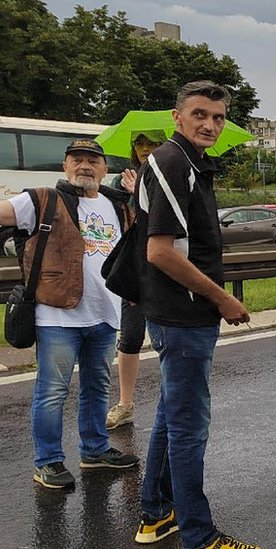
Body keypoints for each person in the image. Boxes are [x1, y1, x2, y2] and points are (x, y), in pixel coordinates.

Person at [133, 81, 258, 549]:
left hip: (184, 315)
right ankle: (199, 536)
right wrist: (222, 299)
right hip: (181, 316)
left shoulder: (192, 164)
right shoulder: (170, 162)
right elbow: (160, 251)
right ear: (177, 117)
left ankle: (156, 514)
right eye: (200, 114)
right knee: (188, 428)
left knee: (172, 415)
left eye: (218, 117)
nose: (210, 124)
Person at [0, 138, 139, 490]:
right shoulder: (42, 199)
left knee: (97, 388)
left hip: (105, 314)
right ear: (64, 166)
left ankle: (94, 451)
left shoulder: (117, 204)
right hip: (57, 316)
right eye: (76, 159)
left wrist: (139, 195)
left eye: (93, 160)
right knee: (52, 391)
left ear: (104, 169)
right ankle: (47, 461)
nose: (84, 166)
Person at [105, 130, 165, 430]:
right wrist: (131, 191)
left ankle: (171, 402)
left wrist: (140, 191)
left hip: (167, 268)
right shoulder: (120, 181)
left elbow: (168, 221)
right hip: (135, 268)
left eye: (152, 143)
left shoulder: (171, 176)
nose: (145, 149)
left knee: (166, 338)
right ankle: (125, 404)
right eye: (140, 143)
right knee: (129, 337)